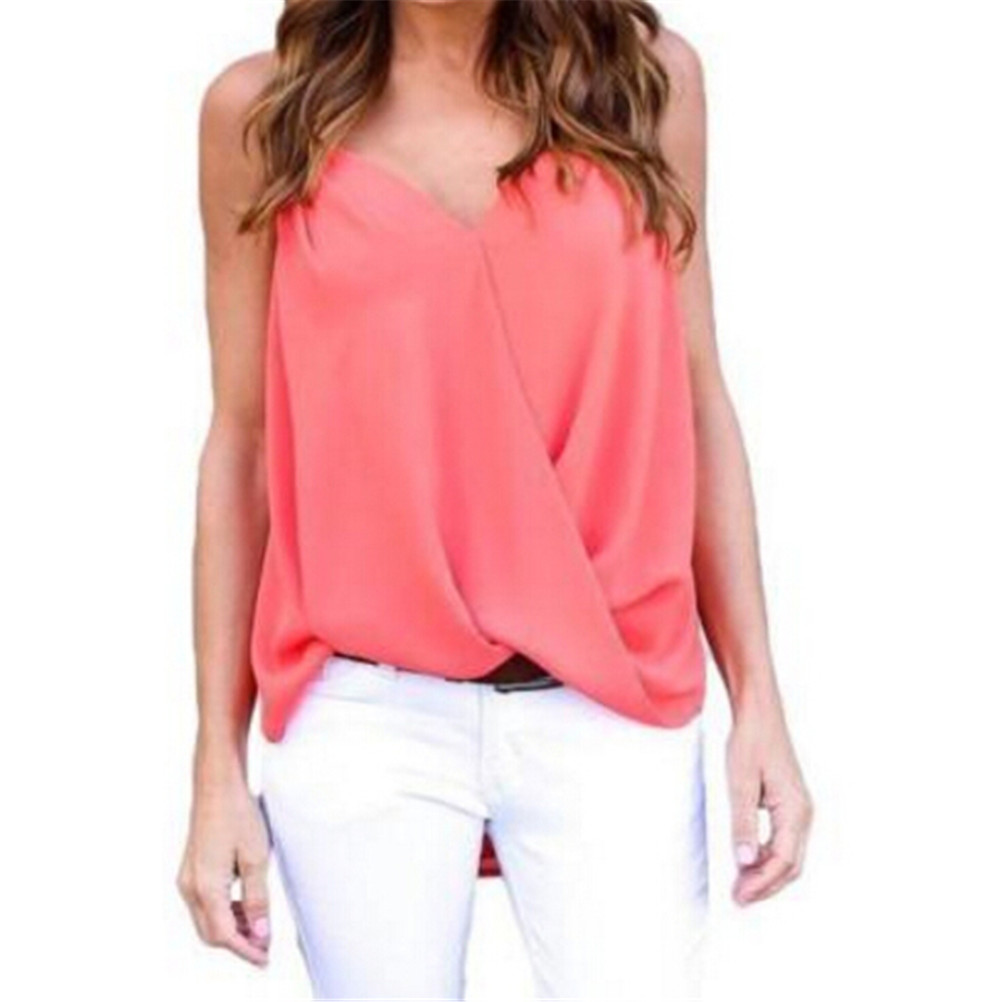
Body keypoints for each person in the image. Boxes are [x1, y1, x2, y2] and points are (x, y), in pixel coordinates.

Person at [176, 1, 813, 998]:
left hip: (612, 697)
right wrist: (215, 764)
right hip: (364, 711)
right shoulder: (264, 114)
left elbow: (695, 395)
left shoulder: (644, 85)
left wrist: (759, 700)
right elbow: (242, 442)